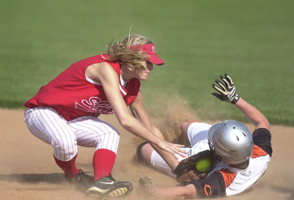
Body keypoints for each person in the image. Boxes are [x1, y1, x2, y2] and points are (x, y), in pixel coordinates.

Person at [23, 34, 185, 198]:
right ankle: (73, 175)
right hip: (43, 112)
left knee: (109, 133)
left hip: (74, 120)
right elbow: (126, 120)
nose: (151, 67)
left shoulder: (134, 88)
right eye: (147, 62)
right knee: (65, 139)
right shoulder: (105, 68)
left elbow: (148, 128)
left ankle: (102, 181)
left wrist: (178, 168)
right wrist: (160, 142)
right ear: (131, 58)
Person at [137, 74, 272, 199]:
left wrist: (153, 192)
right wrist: (235, 98)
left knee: (145, 149)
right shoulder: (260, 152)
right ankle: (181, 145)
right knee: (185, 126)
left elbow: (189, 191)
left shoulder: (222, 179)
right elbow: (262, 122)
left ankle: (181, 153)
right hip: (223, 153)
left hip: (207, 162)